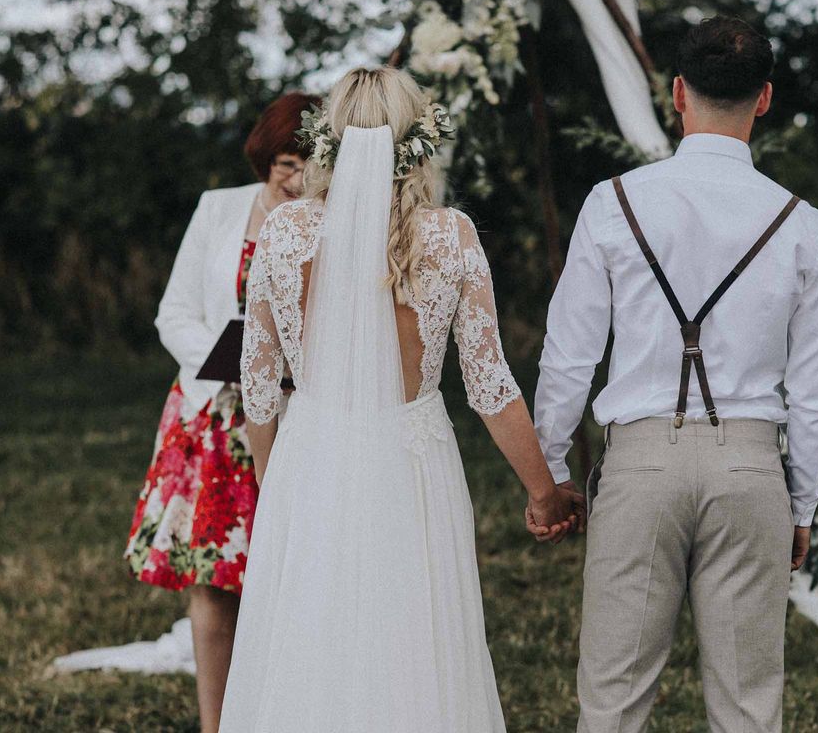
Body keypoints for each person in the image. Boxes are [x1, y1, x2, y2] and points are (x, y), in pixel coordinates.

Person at [219, 67, 579, 732]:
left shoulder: (284, 232)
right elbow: (490, 384)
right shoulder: (451, 236)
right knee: (412, 632)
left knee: (312, 632)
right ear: (418, 142)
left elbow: (260, 388)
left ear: (329, 140)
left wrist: (276, 486)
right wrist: (544, 490)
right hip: (413, 461)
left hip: (311, 456)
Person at [534, 16, 818, 732]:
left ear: (677, 92)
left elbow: (570, 354)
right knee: (748, 703)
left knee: (612, 698)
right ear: (764, 99)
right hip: (750, 469)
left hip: (640, 466)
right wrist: (801, 504)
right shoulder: (802, 223)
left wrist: (552, 472)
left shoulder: (613, 203)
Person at [124, 92, 313, 733]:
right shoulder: (219, 209)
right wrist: (233, 362)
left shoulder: (330, 219)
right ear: (264, 158)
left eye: (310, 165)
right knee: (213, 578)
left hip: (294, 419)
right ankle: (215, 724)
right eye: (286, 164)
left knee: (293, 576)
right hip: (214, 417)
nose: (296, 180)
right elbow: (172, 312)